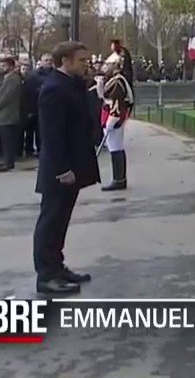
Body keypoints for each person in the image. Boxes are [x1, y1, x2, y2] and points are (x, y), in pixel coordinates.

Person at [33, 41, 101, 295]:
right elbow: (52, 135)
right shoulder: (53, 88)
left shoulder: (69, 84)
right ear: (65, 61)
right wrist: (62, 169)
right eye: (81, 60)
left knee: (61, 220)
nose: (86, 65)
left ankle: (57, 267)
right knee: (51, 220)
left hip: (73, 164)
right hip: (60, 169)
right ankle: (46, 275)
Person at [98, 51, 135, 191]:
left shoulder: (118, 81)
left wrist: (110, 122)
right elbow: (103, 96)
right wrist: (100, 84)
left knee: (115, 148)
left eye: (108, 64)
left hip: (113, 117)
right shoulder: (112, 79)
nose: (105, 67)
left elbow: (117, 103)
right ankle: (119, 178)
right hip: (111, 115)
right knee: (116, 147)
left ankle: (119, 179)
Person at [0, 57, 24, 172]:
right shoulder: (4, 78)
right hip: (2, 113)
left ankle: (9, 162)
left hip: (8, 113)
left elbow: (7, 96)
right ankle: (6, 160)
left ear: (11, 66)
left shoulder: (14, 79)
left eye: (4, 66)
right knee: (4, 139)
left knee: (8, 139)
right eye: (1, 65)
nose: (2, 68)